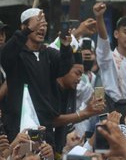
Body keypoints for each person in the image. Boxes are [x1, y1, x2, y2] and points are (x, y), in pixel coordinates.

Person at [0, 8, 74, 143]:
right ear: (24, 27)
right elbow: (5, 56)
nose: (42, 28)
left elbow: (64, 68)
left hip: (45, 126)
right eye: (38, 24)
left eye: (44, 24)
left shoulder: (49, 53)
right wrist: (26, 31)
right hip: (19, 126)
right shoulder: (16, 55)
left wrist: (65, 47)